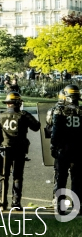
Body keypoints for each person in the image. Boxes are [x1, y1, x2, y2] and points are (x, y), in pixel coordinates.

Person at [0, 92, 40, 209]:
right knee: (18, 176)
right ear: (18, 103)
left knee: (3, 176)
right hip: (19, 149)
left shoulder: (0, 115)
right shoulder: (23, 115)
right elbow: (36, 126)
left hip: (4, 149)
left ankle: (2, 201)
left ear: (8, 104)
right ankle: (16, 203)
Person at [51, 84, 82, 215]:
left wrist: (54, 145)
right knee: (78, 179)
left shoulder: (60, 110)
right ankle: (78, 206)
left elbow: (55, 131)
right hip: (79, 148)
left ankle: (61, 206)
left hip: (63, 148)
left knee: (61, 178)